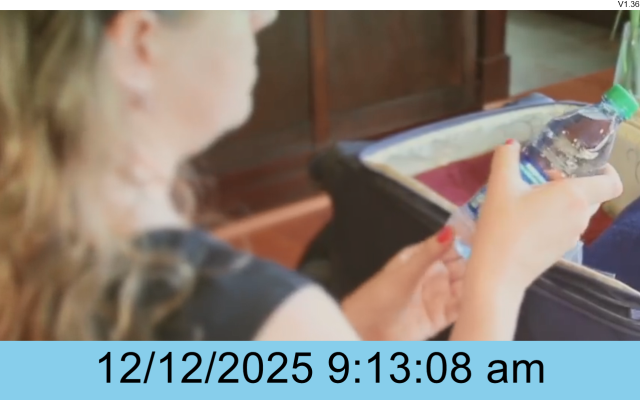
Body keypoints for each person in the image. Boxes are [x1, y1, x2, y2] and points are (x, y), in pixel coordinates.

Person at [0, 10, 623, 341]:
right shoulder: (242, 309)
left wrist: (348, 336)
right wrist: (498, 283)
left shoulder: (34, 252)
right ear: (142, 41)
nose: (266, 15)